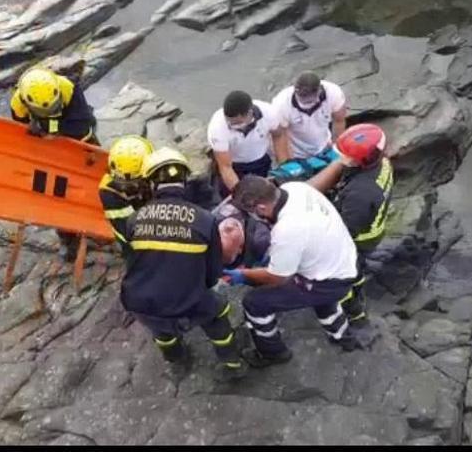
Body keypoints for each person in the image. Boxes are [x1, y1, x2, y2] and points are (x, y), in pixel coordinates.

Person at [120, 147, 246, 381]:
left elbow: (131, 262)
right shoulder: (204, 219)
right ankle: (232, 363)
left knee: (160, 327)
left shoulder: (133, 219)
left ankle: (177, 360)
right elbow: (213, 271)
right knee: (217, 315)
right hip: (190, 297)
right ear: (184, 179)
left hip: (143, 299)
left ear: (150, 182)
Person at [224, 175, 361, 368]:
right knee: (321, 297)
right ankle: (341, 334)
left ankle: (272, 353)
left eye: (250, 211)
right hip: (344, 260)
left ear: (261, 208)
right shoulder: (295, 188)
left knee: (254, 303)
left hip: (328, 280)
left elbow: (277, 278)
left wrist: (242, 275)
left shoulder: (287, 231)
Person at [308, 124, 394, 338]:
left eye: (346, 156)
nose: (341, 159)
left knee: (344, 272)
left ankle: (354, 313)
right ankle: (357, 285)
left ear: (361, 161)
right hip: (371, 227)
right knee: (357, 268)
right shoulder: (382, 163)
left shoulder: (361, 194)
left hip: (358, 238)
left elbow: (345, 231)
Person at [10, 66, 99, 261]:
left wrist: (46, 127)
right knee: (56, 196)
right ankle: (68, 239)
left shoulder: (68, 88)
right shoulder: (18, 102)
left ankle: (98, 224)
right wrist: (33, 134)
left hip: (82, 145)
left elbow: (81, 126)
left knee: (94, 185)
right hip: (48, 154)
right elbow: (20, 132)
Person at [207, 90, 288, 197]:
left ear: (250, 113)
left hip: (260, 161)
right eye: (230, 122)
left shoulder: (268, 113)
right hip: (234, 165)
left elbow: (279, 136)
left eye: (237, 123)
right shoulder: (217, 127)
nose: (232, 125)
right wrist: (241, 196)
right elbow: (226, 167)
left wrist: (284, 166)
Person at [10, 66, 99, 145]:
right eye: (43, 111)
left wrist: (50, 127)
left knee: (86, 129)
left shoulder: (68, 88)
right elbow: (22, 127)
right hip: (43, 127)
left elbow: (82, 126)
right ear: (26, 103)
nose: (50, 112)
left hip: (70, 119)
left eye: (54, 106)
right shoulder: (17, 104)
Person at [270, 71, 347, 161]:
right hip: (296, 153)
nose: (306, 103)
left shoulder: (333, 93)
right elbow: (281, 138)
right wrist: (290, 161)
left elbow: (339, 121)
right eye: (302, 98)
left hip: (325, 145)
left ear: (319, 90)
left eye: (309, 101)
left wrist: (336, 147)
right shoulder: (281, 104)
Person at [99, 135, 154, 256]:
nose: (129, 187)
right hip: (133, 243)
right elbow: (129, 229)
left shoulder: (152, 173)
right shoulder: (109, 192)